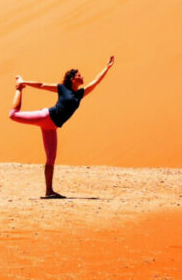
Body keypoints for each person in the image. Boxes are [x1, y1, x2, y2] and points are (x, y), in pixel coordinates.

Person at [9, 56, 115, 198]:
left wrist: (107, 67)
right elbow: (42, 85)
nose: (82, 76)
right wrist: (23, 83)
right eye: (79, 75)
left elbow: (96, 82)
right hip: (46, 116)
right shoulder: (62, 88)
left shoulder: (80, 94)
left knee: (51, 158)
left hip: (52, 127)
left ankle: (49, 191)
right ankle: (18, 89)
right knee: (13, 115)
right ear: (72, 79)